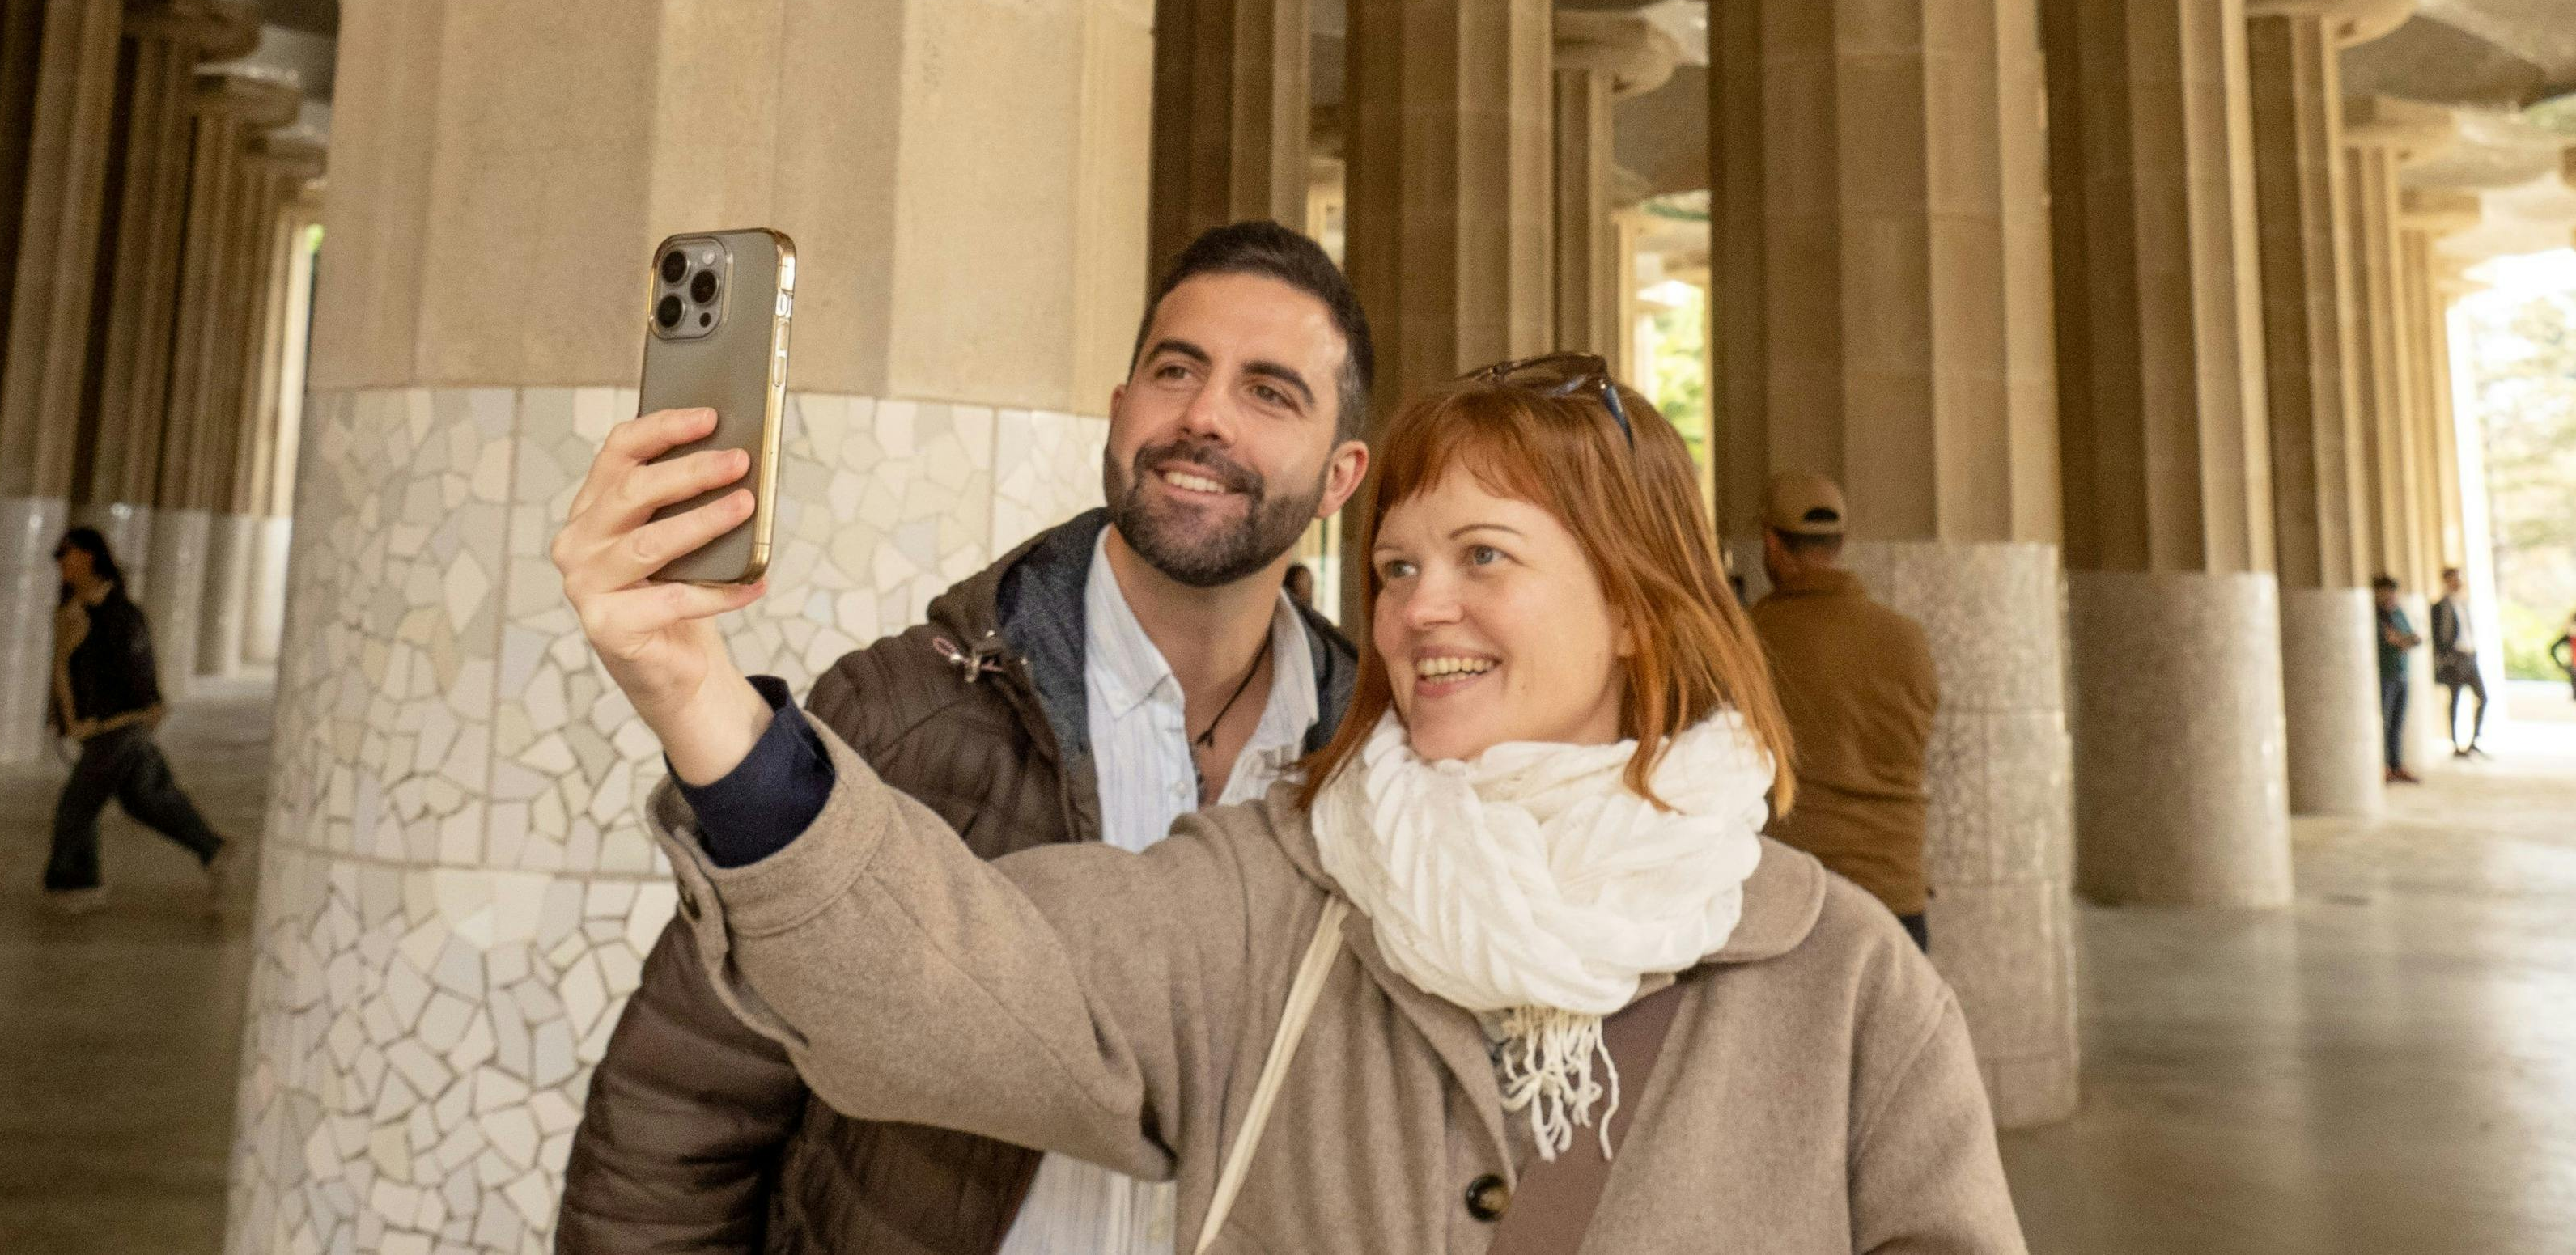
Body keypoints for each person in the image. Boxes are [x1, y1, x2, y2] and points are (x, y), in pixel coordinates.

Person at [554, 361, 2023, 1255]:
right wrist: (698, 695)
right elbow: (952, 982)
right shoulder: (1282, 893)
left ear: (1639, 610)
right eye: (1395, 566)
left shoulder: (1845, 990)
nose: (1413, 609)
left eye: (1484, 559)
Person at [556, 221, 1373, 1255]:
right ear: (1120, 417)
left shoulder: (1379, 771)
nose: (1203, 415)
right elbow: (678, 1115)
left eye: (1268, 391)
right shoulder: (907, 712)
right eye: (1176, 370)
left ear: (1340, 476)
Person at [1743, 470, 1938, 950]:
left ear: (1771, 543)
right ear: (1841, 542)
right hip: (1896, 894)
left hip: (1797, 901)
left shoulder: (1749, 640)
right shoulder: (1907, 639)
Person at [42, 525, 231, 909]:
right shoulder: (71, 609)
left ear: (89, 556)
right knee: (144, 798)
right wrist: (63, 719)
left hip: (120, 724)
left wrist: (150, 706)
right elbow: (63, 670)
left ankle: (77, 884)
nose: (60, 562)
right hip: (97, 726)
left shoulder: (118, 612)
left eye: (67, 553)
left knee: (78, 803)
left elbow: (137, 661)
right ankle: (212, 848)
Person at [2431, 567, 2490, 758]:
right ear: (2446, 581)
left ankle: (2474, 741)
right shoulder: (2441, 606)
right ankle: (2456, 744)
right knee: (2454, 699)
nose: (2458, 582)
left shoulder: (2464, 603)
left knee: (2483, 697)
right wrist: (2446, 657)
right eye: (2454, 579)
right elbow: (2438, 636)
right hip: (2455, 658)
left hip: (2470, 655)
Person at [2374, 575, 2422, 785]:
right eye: (2385, 591)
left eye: (2392, 591)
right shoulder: (2376, 616)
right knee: (2383, 723)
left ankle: (2397, 764)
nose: (2390, 595)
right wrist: (2402, 640)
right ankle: (2383, 766)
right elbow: (2389, 640)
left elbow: (2413, 638)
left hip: (2402, 674)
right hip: (2385, 675)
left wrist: (2402, 640)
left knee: (2397, 723)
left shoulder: (2398, 613)